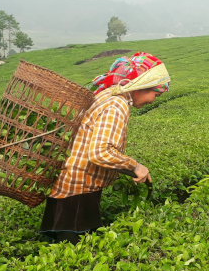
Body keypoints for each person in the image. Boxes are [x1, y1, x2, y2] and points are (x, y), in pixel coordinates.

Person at [39, 52, 170, 244]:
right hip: (77, 191)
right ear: (141, 87)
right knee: (74, 255)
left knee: (64, 252)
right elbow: (101, 152)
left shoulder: (108, 94)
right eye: (155, 94)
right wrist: (135, 166)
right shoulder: (117, 105)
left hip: (70, 185)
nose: (153, 100)